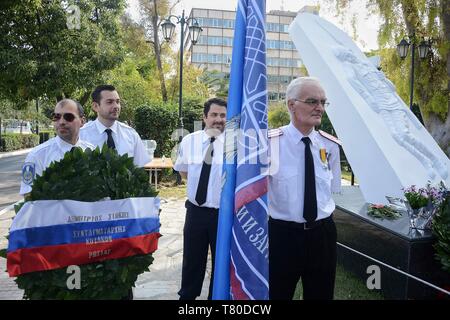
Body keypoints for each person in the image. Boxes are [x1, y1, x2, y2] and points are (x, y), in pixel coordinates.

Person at [268, 77, 342, 300]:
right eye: (312, 101)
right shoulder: (270, 143)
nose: (319, 108)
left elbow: (330, 190)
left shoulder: (330, 146)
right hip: (283, 235)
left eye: (322, 102)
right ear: (291, 104)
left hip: (322, 235)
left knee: (321, 295)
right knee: (277, 295)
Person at [174, 97, 227, 300]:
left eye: (222, 115)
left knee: (221, 262)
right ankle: (187, 298)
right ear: (204, 117)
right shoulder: (190, 140)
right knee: (192, 260)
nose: (218, 119)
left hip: (223, 215)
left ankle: (217, 298)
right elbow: (184, 172)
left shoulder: (235, 145)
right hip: (196, 211)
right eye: (214, 115)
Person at [20, 99, 94, 196]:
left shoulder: (91, 151)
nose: (62, 122)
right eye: (57, 117)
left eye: (68, 117)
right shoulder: (37, 156)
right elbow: (28, 196)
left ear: (82, 121)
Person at [79, 85, 150, 167]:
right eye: (109, 102)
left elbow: (139, 168)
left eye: (118, 102)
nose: (116, 106)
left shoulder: (131, 135)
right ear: (95, 106)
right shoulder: (81, 135)